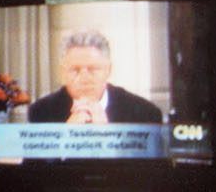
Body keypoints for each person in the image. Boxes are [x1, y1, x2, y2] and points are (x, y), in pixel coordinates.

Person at [26, 30, 163, 124]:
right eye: (75, 70)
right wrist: (64, 138)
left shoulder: (144, 113)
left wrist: (107, 137)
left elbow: (152, 166)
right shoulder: (41, 111)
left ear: (108, 70)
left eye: (93, 69)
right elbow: (34, 166)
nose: (84, 78)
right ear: (63, 73)